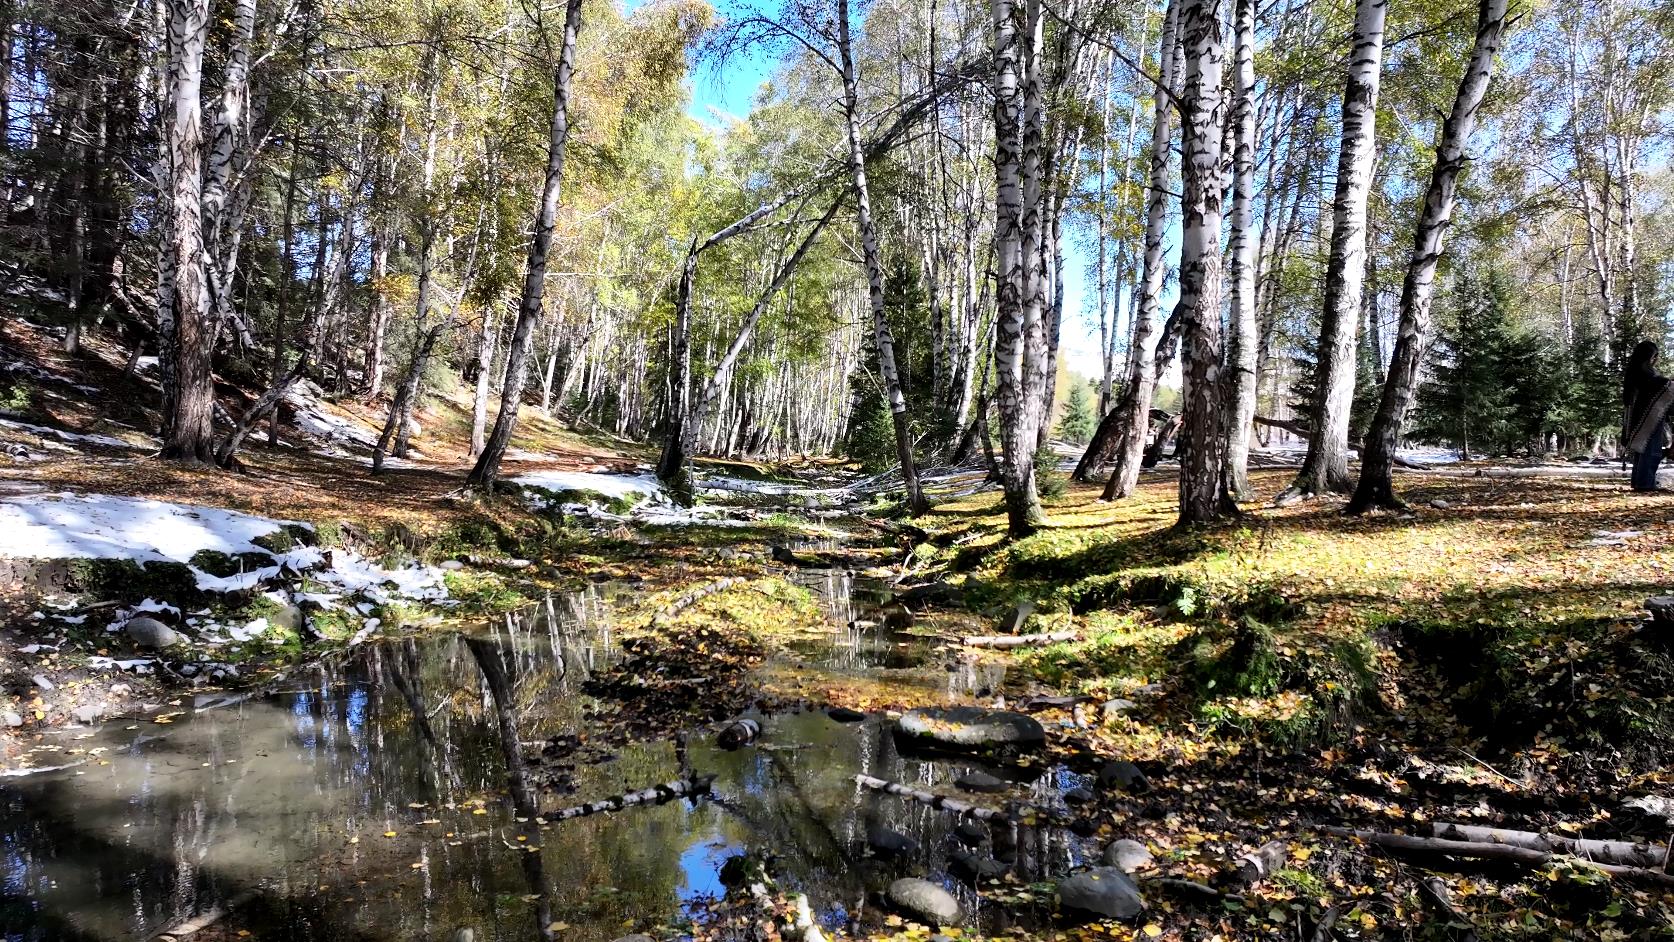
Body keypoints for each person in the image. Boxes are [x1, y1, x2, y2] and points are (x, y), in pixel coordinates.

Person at [1623, 340, 1674, 492]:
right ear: (1648, 356)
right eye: (1654, 356)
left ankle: (1640, 482)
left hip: (1641, 417)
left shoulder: (1635, 371)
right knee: (1650, 451)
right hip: (1649, 418)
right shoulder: (1644, 373)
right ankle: (1645, 484)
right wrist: (1670, 383)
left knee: (1643, 450)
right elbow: (1661, 387)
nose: (1656, 359)